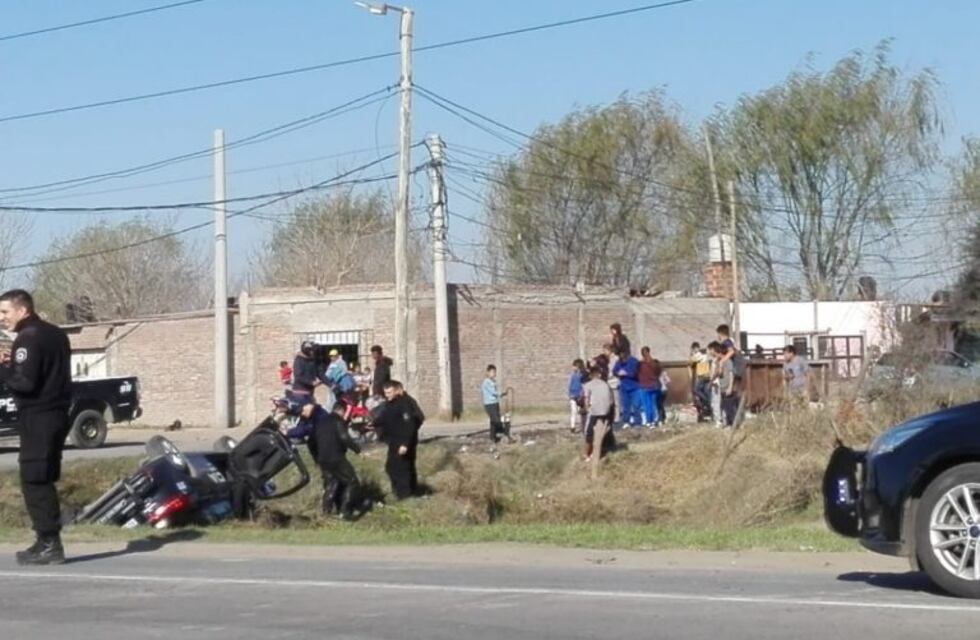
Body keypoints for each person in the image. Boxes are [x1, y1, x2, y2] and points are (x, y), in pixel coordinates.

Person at [0, 289, 72, 565]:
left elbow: (25, 383)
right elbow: (41, 370)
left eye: (5, 312)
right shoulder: (55, 333)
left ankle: (49, 543)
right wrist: (13, 364)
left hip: (39, 416)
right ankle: (47, 541)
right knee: (44, 476)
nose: (2, 318)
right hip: (58, 413)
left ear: (23, 310)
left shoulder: (28, 337)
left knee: (34, 479)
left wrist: (3, 369)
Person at [286, 401, 365, 520]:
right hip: (336, 457)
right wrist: (358, 451)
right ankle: (345, 512)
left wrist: (317, 458)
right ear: (341, 411)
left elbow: (311, 441)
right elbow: (344, 437)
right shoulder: (337, 420)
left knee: (332, 483)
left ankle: (326, 514)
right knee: (352, 482)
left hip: (323, 459)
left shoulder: (321, 422)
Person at [375, 380, 425, 500]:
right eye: (385, 393)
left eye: (389, 392)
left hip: (403, 442)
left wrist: (405, 443)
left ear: (396, 391)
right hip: (393, 441)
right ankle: (400, 491)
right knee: (391, 467)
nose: (387, 395)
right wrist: (373, 424)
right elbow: (386, 418)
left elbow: (410, 425)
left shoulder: (404, 403)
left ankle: (405, 495)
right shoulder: (390, 404)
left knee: (401, 468)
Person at [582, 365, 615, 477]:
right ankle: (600, 451)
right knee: (604, 433)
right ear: (599, 375)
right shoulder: (606, 385)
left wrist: (587, 409)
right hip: (606, 412)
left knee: (588, 433)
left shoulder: (588, 385)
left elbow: (586, 400)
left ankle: (586, 455)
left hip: (594, 412)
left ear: (591, 375)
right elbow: (611, 401)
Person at [612, 349, 642, 428]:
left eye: (622, 355)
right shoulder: (619, 362)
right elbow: (614, 371)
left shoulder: (634, 361)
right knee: (625, 406)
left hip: (635, 387)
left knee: (636, 405)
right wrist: (618, 373)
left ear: (626, 354)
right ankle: (626, 421)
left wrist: (627, 374)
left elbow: (637, 373)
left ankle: (637, 422)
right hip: (624, 387)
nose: (621, 357)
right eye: (619, 355)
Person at [482, 365, 510, 443]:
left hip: (495, 403)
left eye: (494, 372)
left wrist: (501, 394)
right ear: (488, 372)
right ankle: (502, 432)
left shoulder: (493, 381)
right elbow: (493, 392)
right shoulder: (486, 382)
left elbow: (496, 392)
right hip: (489, 404)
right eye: (492, 372)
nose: (494, 374)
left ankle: (492, 437)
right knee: (496, 420)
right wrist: (501, 394)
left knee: (493, 421)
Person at [713, 342, 739, 428]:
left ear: (720, 353)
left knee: (730, 407)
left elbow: (731, 375)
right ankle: (728, 423)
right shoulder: (720, 362)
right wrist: (719, 366)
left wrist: (730, 387)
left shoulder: (728, 361)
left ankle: (732, 424)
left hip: (728, 387)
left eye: (716, 353)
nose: (715, 355)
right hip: (722, 388)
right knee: (725, 406)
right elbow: (720, 374)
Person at [636, 347, 662, 427]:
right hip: (653, 385)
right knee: (652, 404)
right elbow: (659, 372)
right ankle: (653, 420)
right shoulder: (654, 363)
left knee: (647, 405)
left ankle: (649, 421)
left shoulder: (640, 364)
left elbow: (636, 373)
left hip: (645, 386)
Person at [690, 343, 713, 422]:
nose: (695, 350)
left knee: (696, 390)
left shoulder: (700, 355)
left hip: (702, 375)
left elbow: (692, 361)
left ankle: (707, 401)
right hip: (705, 375)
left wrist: (692, 354)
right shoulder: (704, 355)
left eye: (694, 349)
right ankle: (707, 407)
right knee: (705, 391)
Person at [567, 359, 587, 433]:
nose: (573, 368)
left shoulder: (582, 375)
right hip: (573, 395)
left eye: (574, 366)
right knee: (573, 411)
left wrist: (582, 394)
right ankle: (572, 427)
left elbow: (583, 385)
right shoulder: (572, 375)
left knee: (581, 411)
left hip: (580, 396)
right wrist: (569, 394)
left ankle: (583, 426)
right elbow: (569, 385)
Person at [656, 362, 670, 426]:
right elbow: (668, 380)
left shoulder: (661, 373)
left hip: (661, 390)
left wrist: (663, 383)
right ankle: (663, 418)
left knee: (659, 405)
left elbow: (668, 380)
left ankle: (661, 419)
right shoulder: (663, 372)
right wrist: (664, 383)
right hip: (663, 390)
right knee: (660, 405)